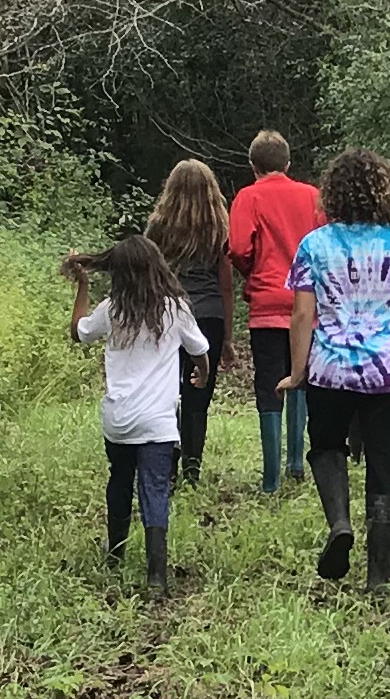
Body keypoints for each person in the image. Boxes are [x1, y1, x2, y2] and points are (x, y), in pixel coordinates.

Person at [284, 147, 390, 593]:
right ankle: (379, 578)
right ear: (383, 193)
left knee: (326, 446)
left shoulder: (315, 245)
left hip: (329, 370)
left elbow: (302, 315)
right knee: (387, 467)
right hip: (388, 373)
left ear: (332, 194)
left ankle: (340, 523)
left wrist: (297, 371)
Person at [65, 233, 211, 597]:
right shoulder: (175, 307)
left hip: (118, 418)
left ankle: (115, 555)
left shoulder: (112, 309)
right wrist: (203, 373)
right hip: (158, 422)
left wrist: (82, 286)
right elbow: (199, 349)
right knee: (155, 489)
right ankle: (156, 576)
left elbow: (78, 333)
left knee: (119, 480)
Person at [225, 128, 324, 496]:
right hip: (307, 305)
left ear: (253, 165)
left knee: (269, 385)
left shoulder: (248, 197)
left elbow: (237, 247)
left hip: (267, 304)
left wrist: (253, 272)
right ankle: (297, 462)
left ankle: (270, 480)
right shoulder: (313, 197)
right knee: (301, 378)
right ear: (288, 163)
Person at [143, 157, 240, 487]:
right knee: (198, 395)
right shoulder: (219, 229)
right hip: (208, 315)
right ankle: (193, 470)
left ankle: (168, 463)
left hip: (168, 315)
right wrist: (227, 336)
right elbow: (226, 283)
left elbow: (149, 274)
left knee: (166, 390)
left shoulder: (158, 227)